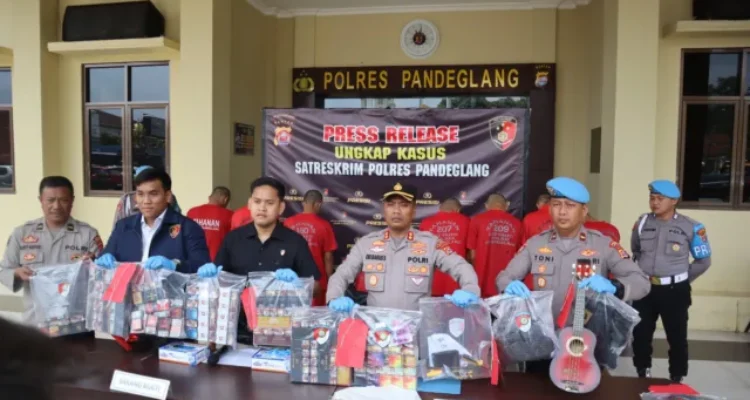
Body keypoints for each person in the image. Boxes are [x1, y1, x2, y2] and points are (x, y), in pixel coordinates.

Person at [496, 177, 651, 374]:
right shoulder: (535, 244)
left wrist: (616, 286)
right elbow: (505, 276)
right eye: (556, 205)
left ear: (584, 211)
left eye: (570, 206)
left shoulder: (603, 245)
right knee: (537, 387)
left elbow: (641, 282)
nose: (562, 212)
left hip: (586, 342)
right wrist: (508, 285)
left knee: (588, 387)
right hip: (544, 340)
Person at [198, 177, 321, 343]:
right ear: (249, 204)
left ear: (281, 207)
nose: (262, 208)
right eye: (257, 201)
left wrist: (298, 284)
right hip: (236, 331)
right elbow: (219, 282)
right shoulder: (233, 239)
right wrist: (210, 277)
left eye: (269, 203)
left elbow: (316, 287)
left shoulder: (295, 242)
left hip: (280, 331)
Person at [326, 182, 481, 313]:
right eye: (390, 205)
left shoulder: (431, 244)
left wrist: (470, 289)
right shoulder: (366, 244)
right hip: (378, 330)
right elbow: (342, 274)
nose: (396, 211)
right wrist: (334, 297)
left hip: (415, 329)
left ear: (413, 210)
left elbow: (460, 266)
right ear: (383, 210)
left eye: (404, 205)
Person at [631, 180, 712, 383]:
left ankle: (677, 376)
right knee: (640, 334)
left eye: (660, 199)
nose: (655, 202)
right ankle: (643, 371)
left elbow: (703, 261)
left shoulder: (691, 227)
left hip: (675, 290)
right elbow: (636, 251)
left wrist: (680, 279)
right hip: (645, 287)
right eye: (652, 198)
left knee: (676, 336)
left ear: (674, 201)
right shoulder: (642, 223)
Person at [0, 176, 103, 322]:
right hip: (35, 321)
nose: (56, 206)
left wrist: (92, 266)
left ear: (72, 201)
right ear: (41, 200)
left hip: (76, 321)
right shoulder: (22, 234)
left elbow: (102, 277)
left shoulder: (88, 235)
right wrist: (17, 273)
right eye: (50, 200)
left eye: (63, 200)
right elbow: (4, 270)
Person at [95, 168, 210, 274]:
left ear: (167, 196)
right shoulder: (123, 226)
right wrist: (103, 260)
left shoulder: (188, 228)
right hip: (128, 290)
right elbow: (103, 259)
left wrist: (174, 265)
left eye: (153, 194)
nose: (146, 201)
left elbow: (201, 265)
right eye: (140, 194)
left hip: (170, 290)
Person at [283, 189, 338, 306]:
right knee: (315, 314)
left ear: (303, 203)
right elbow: (328, 257)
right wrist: (330, 280)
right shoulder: (324, 225)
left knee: (292, 312)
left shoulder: (288, 222)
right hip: (316, 281)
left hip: (290, 279)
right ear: (318, 204)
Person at [467, 194, 523, 297]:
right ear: (506, 206)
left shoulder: (476, 220)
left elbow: (472, 254)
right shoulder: (517, 223)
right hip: (506, 283)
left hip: (482, 280)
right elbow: (520, 254)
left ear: (486, 206)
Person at [418, 197, 470, 297]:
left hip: (431, 281)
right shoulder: (466, 221)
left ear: (440, 208)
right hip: (456, 280)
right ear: (458, 210)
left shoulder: (426, 222)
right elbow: (472, 253)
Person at [112, 165, 181, 229]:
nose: (146, 201)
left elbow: (177, 219)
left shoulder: (168, 197)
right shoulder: (127, 199)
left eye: (153, 194)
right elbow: (117, 224)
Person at [186, 186, 234, 261]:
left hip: (193, 260)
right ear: (225, 199)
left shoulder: (191, 212)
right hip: (217, 261)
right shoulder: (230, 215)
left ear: (209, 197)